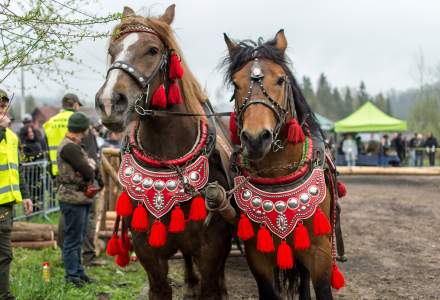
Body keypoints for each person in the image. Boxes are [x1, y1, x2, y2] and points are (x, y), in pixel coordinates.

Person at [57, 112, 98, 288]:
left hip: (79, 198)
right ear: (82, 129)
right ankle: (72, 275)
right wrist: (90, 165)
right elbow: (89, 172)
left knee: (78, 237)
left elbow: (86, 169)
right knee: (73, 239)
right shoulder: (70, 148)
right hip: (72, 198)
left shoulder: (73, 145)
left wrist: (88, 165)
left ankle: (79, 272)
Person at [0, 89, 33, 300]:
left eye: (3, 104)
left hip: (6, 205)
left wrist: (26, 195)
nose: (2, 107)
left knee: (4, 255)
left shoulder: (11, 136)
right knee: (4, 255)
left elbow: (17, 169)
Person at [43, 93, 82, 176]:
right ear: (75, 105)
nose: (79, 108)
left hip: (56, 171)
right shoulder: (77, 120)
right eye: (79, 105)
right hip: (75, 171)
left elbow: (46, 148)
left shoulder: (50, 122)